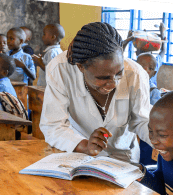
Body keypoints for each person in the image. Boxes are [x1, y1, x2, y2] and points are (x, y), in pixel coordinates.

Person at [39, 21, 153, 164]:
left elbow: (141, 120)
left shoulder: (135, 74)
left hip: (124, 159)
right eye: (103, 78)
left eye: (119, 73)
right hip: (80, 156)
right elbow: (53, 126)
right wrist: (85, 145)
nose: (114, 83)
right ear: (81, 67)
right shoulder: (60, 70)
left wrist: (161, 138)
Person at [136, 52, 162, 166]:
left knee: (144, 157)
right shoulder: (129, 85)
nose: (145, 70)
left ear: (154, 73)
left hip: (145, 131)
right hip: (130, 131)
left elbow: (155, 116)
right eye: (141, 67)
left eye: (150, 68)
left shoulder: (153, 91)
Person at [122, 21, 167, 86]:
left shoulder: (134, 64)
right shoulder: (155, 62)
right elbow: (163, 50)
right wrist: (162, 34)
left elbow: (120, 56)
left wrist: (127, 40)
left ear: (136, 53)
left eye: (150, 68)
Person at [32, 23, 65, 87]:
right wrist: (41, 61)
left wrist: (40, 63)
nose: (42, 37)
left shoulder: (51, 52)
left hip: (47, 88)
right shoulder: (59, 51)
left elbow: (52, 72)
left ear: (53, 37)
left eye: (44, 34)